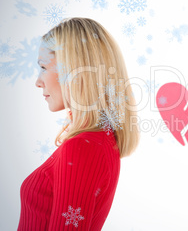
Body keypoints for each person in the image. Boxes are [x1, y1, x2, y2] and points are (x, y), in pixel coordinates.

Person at [18, 17, 139, 230]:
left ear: (73, 71)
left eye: (44, 67)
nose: (38, 82)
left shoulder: (84, 147)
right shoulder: (101, 140)